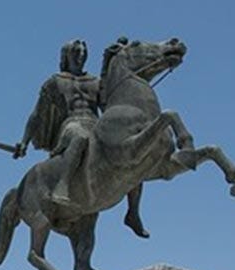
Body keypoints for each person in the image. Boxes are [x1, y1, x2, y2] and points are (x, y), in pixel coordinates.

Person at [12, 39, 150, 238]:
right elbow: (37, 115)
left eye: (83, 52)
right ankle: (63, 186)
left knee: (132, 151)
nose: (81, 55)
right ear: (67, 55)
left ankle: (133, 212)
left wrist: (109, 63)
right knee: (81, 137)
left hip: (95, 123)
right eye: (76, 51)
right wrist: (24, 142)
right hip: (72, 124)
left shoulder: (94, 81)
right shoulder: (55, 81)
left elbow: (106, 103)